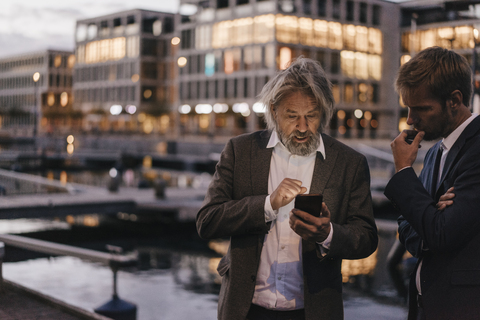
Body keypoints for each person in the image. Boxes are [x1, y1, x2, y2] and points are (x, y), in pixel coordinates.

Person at [196, 57, 378, 320]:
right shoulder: (240, 151)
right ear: (273, 110)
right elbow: (207, 221)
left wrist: (327, 234)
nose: (303, 127)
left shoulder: (350, 163)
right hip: (245, 310)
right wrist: (268, 204)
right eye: (292, 116)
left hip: (312, 312)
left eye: (312, 116)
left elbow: (367, 237)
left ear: (323, 112)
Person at [384, 46, 480, 320]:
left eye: (421, 109)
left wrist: (404, 170)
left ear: (455, 100)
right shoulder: (436, 152)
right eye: (408, 108)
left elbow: (442, 234)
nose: (410, 120)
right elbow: (406, 226)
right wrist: (430, 215)